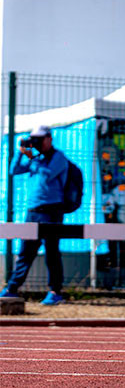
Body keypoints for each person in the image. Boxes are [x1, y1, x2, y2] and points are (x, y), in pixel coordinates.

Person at [0, 125, 68, 305]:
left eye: (39, 138)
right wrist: (21, 152)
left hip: (51, 211)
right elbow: (14, 170)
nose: (36, 142)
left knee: (51, 252)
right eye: (33, 138)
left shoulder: (58, 157)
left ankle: (55, 291)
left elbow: (47, 175)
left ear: (49, 138)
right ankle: (12, 288)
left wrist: (34, 156)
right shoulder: (35, 158)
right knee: (26, 252)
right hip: (33, 212)